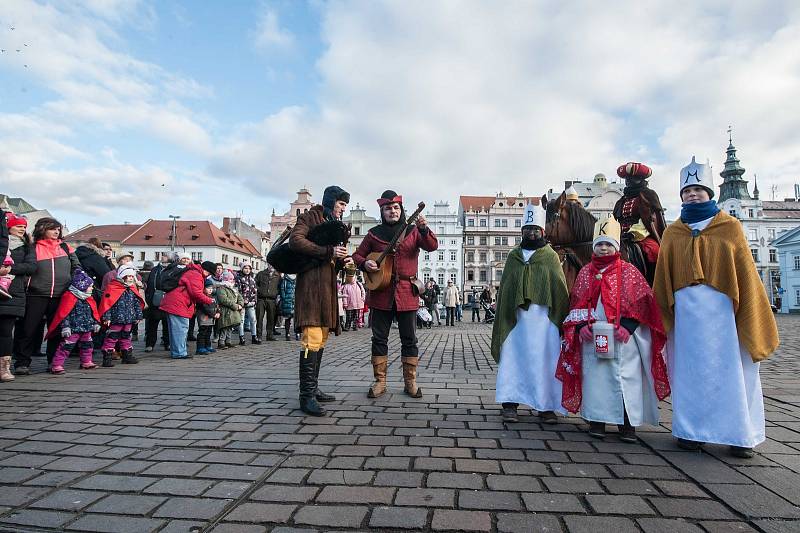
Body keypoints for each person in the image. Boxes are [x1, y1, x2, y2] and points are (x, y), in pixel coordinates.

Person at [654, 156, 779, 458]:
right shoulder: (673, 232)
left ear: (709, 193)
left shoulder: (730, 226)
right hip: (686, 313)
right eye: (687, 192)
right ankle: (691, 431)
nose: (692, 195)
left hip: (724, 313)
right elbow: (663, 275)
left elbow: (746, 273)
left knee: (733, 371)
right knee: (689, 371)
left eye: (698, 190)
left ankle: (739, 434)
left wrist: (748, 310)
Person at [557, 216, 671, 442]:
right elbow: (576, 303)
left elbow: (643, 302)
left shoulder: (628, 271)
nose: (603, 248)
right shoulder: (585, 272)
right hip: (594, 337)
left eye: (608, 244)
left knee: (626, 378)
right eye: (599, 244)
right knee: (595, 379)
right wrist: (580, 327)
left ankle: (627, 424)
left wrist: (628, 327)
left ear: (616, 246)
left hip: (623, 338)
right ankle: (597, 420)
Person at [353, 190, 438, 399]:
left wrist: (424, 229)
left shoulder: (413, 231)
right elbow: (357, 255)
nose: (392, 211)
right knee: (379, 338)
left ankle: (411, 381)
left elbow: (432, 246)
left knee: (409, 339)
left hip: (406, 293)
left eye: (396, 208)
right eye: (388, 208)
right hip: (381, 293)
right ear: (382, 211)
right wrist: (365, 263)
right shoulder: (373, 233)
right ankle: (380, 381)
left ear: (401, 210)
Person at [491, 204, 569, 424]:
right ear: (522, 232)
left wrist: (561, 320)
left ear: (542, 232)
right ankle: (509, 403)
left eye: (535, 229)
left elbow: (559, 287)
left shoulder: (550, 256)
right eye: (527, 229)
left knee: (545, 360)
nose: (531, 233)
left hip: (544, 320)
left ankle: (545, 406)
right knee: (513, 357)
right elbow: (506, 287)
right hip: (516, 320)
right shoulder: (514, 256)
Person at [290, 185, 352, 416]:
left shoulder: (336, 225)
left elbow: (336, 255)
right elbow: (296, 241)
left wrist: (343, 260)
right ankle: (305, 396)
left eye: (345, 204)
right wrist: (328, 252)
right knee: (311, 338)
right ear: (330, 201)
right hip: (310, 287)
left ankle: (313, 388)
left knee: (321, 337)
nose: (343, 208)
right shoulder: (310, 217)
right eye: (341, 203)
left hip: (327, 288)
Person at [15, 217, 80, 373]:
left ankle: (54, 362)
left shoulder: (65, 248)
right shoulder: (32, 247)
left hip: (60, 295)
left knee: (57, 331)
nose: (56, 232)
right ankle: (22, 362)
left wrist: (73, 281)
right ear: (42, 229)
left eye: (58, 229)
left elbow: (76, 267)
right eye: (52, 229)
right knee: (27, 329)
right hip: (35, 294)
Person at [613, 162, 667, 285]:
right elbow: (615, 220)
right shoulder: (622, 200)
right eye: (627, 179)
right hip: (619, 236)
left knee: (654, 251)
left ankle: (655, 283)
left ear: (640, 179)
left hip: (642, 235)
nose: (628, 181)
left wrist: (633, 234)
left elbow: (650, 219)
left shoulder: (648, 195)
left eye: (632, 178)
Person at [0, 213, 36, 382]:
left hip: (13, 292)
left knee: (6, 331)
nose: (22, 229)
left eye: (24, 226)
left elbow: (30, 267)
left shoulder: (27, 247)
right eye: (18, 226)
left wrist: (8, 270)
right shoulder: (2, 243)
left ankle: (4, 368)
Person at [45, 269, 101, 374]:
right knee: (66, 346)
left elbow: (92, 312)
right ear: (82, 286)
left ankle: (86, 361)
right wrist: (65, 326)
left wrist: (95, 323)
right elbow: (64, 313)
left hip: (86, 327)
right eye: (90, 286)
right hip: (73, 328)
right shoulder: (69, 297)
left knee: (87, 345)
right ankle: (56, 364)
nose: (92, 288)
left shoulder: (88, 298)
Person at [159, 259, 215, 359]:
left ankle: (177, 351)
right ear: (206, 270)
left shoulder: (192, 271)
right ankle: (179, 353)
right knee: (181, 329)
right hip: (178, 304)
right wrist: (210, 300)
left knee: (176, 329)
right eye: (209, 273)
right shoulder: (196, 274)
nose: (208, 276)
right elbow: (196, 293)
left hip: (175, 302)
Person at [99, 264, 145, 367]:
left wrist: (138, 316)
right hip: (116, 319)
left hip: (128, 319)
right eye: (128, 276)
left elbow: (136, 303)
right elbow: (107, 303)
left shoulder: (132, 289)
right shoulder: (113, 288)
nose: (131, 278)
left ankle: (127, 356)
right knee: (111, 338)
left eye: (132, 276)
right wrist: (107, 317)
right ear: (122, 276)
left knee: (126, 337)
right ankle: (107, 358)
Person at [143, 253, 172, 352]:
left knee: (167, 324)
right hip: (154, 300)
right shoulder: (155, 270)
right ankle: (150, 343)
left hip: (168, 300)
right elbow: (149, 284)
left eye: (165, 256)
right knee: (152, 323)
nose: (163, 257)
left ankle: (167, 343)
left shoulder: (172, 270)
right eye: (163, 256)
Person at [215, 270, 244, 349]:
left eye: (232, 279)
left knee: (230, 327)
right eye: (230, 279)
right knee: (224, 327)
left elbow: (240, 297)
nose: (232, 280)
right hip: (225, 311)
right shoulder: (221, 288)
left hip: (233, 311)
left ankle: (228, 341)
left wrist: (240, 304)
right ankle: (221, 342)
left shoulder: (233, 288)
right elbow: (223, 299)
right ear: (225, 279)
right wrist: (235, 306)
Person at [255, 265, 281, 342]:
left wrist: (276, 293)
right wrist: (259, 290)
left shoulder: (278, 276)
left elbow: (280, 287)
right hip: (261, 299)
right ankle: (258, 335)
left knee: (271, 318)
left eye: (273, 265)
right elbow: (255, 284)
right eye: (270, 264)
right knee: (259, 318)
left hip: (272, 300)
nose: (271, 266)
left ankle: (270, 335)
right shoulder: (261, 274)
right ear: (268, 265)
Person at [236, 262, 258, 345]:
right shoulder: (239, 278)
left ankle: (254, 336)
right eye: (245, 268)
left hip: (251, 303)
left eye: (249, 268)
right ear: (242, 269)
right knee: (241, 320)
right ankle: (241, 337)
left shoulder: (252, 279)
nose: (247, 270)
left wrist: (254, 301)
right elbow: (238, 291)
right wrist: (242, 301)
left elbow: (255, 291)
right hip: (242, 303)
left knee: (253, 320)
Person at [196, 278, 220, 355]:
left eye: (211, 288)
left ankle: (208, 346)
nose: (210, 290)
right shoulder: (202, 297)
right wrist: (213, 314)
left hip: (211, 319)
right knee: (202, 333)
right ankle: (200, 347)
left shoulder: (213, 297)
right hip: (204, 319)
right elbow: (205, 308)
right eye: (208, 288)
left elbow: (217, 306)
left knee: (209, 332)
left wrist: (218, 312)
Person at [341, 265, 365, 331]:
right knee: (349, 316)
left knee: (356, 316)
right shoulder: (346, 286)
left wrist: (362, 299)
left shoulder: (359, 284)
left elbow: (363, 291)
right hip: (350, 304)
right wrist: (345, 303)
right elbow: (344, 295)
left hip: (358, 303)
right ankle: (347, 326)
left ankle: (355, 326)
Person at [278, 273, 297, 340]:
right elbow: (282, 289)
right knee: (288, 318)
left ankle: (297, 332)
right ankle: (287, 333)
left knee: (296, 319)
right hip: (287, 301)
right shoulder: (285, 279)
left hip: (295, 301)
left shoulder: (298, 278)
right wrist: (284, 299)